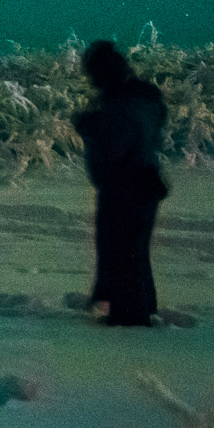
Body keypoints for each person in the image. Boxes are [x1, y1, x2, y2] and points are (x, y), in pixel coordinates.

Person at [71, 39, 169, 327]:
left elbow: (114, 150)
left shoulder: (121, 105)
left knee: (124, 251)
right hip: (141, 181)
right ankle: (135, 306)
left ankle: (130, 318)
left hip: (126, 185)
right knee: (132, 251)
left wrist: (91, 129)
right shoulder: (141, 99)